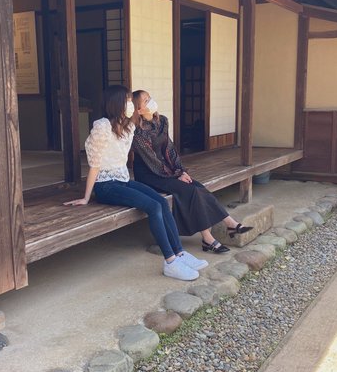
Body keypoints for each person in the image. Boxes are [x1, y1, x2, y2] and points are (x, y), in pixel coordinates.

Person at [64, 85, 208, 281]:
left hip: (123, 180)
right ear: (116, 103)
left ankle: (180, 253)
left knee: (161, 202)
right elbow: (95, 166)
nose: (130, 104)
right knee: (152, 206)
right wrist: (86, 197)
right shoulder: (102, 127)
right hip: (106, 185)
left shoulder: (129, 127)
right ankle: (170, 262)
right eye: (127, 100)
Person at [131, 90, 253, 254]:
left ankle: (228, 224)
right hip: (149, 174)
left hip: (168, 170)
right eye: (146, 101)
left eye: (149, 97)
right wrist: (176, 175)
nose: (151, 101)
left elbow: (170, 149)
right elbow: (152, 161)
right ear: (138, 110)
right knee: (190, 191)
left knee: (197, 187)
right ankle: (210, 237)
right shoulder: (138, 132)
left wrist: (181, 170)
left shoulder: (162, 121)